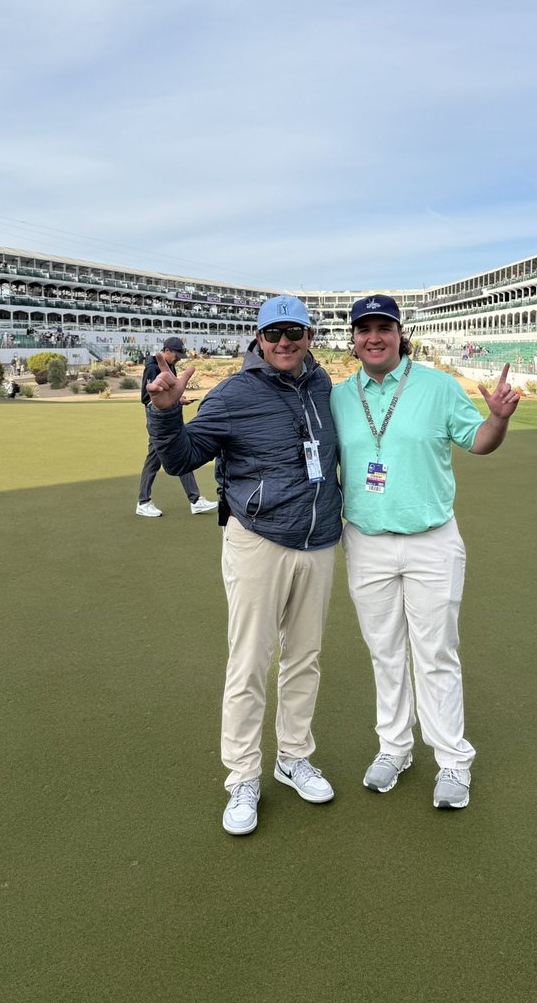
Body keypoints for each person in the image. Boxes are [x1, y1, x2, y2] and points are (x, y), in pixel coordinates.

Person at [144, 297, 343, 836]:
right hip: (258, 540)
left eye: (294, 332)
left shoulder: (324, 388)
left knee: (305, 658)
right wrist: (164, 413)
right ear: (258, 338)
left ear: (308, 335)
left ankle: (293, 756)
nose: (284, 342)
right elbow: (181, 459)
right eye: (273, 333)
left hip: (320, 540)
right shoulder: (233, 393)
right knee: (250, 661)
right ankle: (242, 776)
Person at [330, 294, 519, 812]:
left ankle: (453, 759)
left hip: (431, 541)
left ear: (398, 333)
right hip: (366, 542)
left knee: (435, 653)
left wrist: (498, 419)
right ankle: (394, 747)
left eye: (383, 327)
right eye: (363, 328)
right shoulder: (341, 396)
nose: (374, 336)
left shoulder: (435, 385)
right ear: (352, 338)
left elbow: (478, 441)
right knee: (385, 652)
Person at [136, 337, 217, 518]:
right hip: (159, 424)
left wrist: (179, 400)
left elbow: (169, 393)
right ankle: (143, 502)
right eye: (176, 354)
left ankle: (194, 500)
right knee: (159, 461)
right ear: (166, 351)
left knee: (177, 455)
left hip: (169, 423)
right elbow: (145, 397)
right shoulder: (152, 367)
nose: (178, 358)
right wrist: (164, 407)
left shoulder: (170, 366)